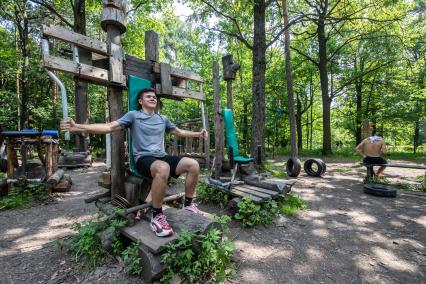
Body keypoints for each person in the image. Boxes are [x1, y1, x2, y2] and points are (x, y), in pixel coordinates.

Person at [60, 88, 208, 237]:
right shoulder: (134, 116)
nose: (153, 98)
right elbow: (109, 127)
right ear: (140, 101)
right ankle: (156, 216)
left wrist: (198, 134)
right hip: (143, 159)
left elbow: (180, 132)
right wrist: (78, 126)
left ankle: (188, 205)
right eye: (148, 96)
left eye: (154, 97)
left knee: (193, 165)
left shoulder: (162, 119)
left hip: (161, 156)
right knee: (164, 168)